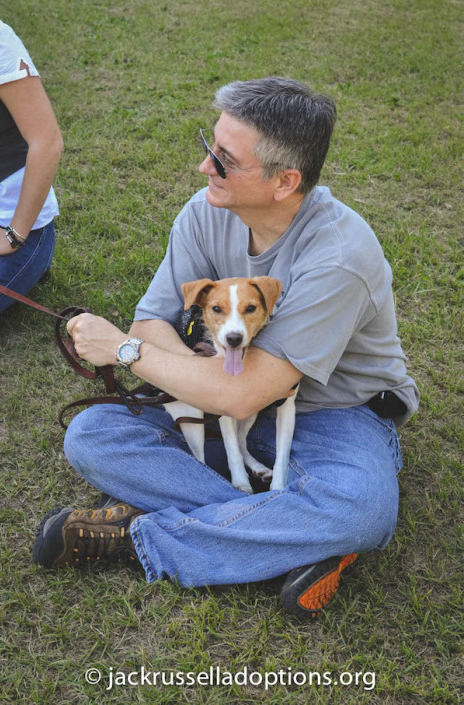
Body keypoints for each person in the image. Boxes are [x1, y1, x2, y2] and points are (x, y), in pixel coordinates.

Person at [33, 78, 419, 617]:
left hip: (333, 415)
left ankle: (140, 534)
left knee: (362, 511)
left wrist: (123, 352)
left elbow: (242, 395)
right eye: (208, 146)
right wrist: (191, 371)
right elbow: (152, 320)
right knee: (92, 435)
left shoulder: (338, 258)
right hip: (217, 390)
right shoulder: (204, 211)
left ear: (285, 181)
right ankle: (291, 535)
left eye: (223, 159)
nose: (204, 167)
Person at [0, 19, 63, 315]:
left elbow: (46, 141)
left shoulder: (0, 41)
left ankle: (30, 258)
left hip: (12, 225)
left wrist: (13, 235)